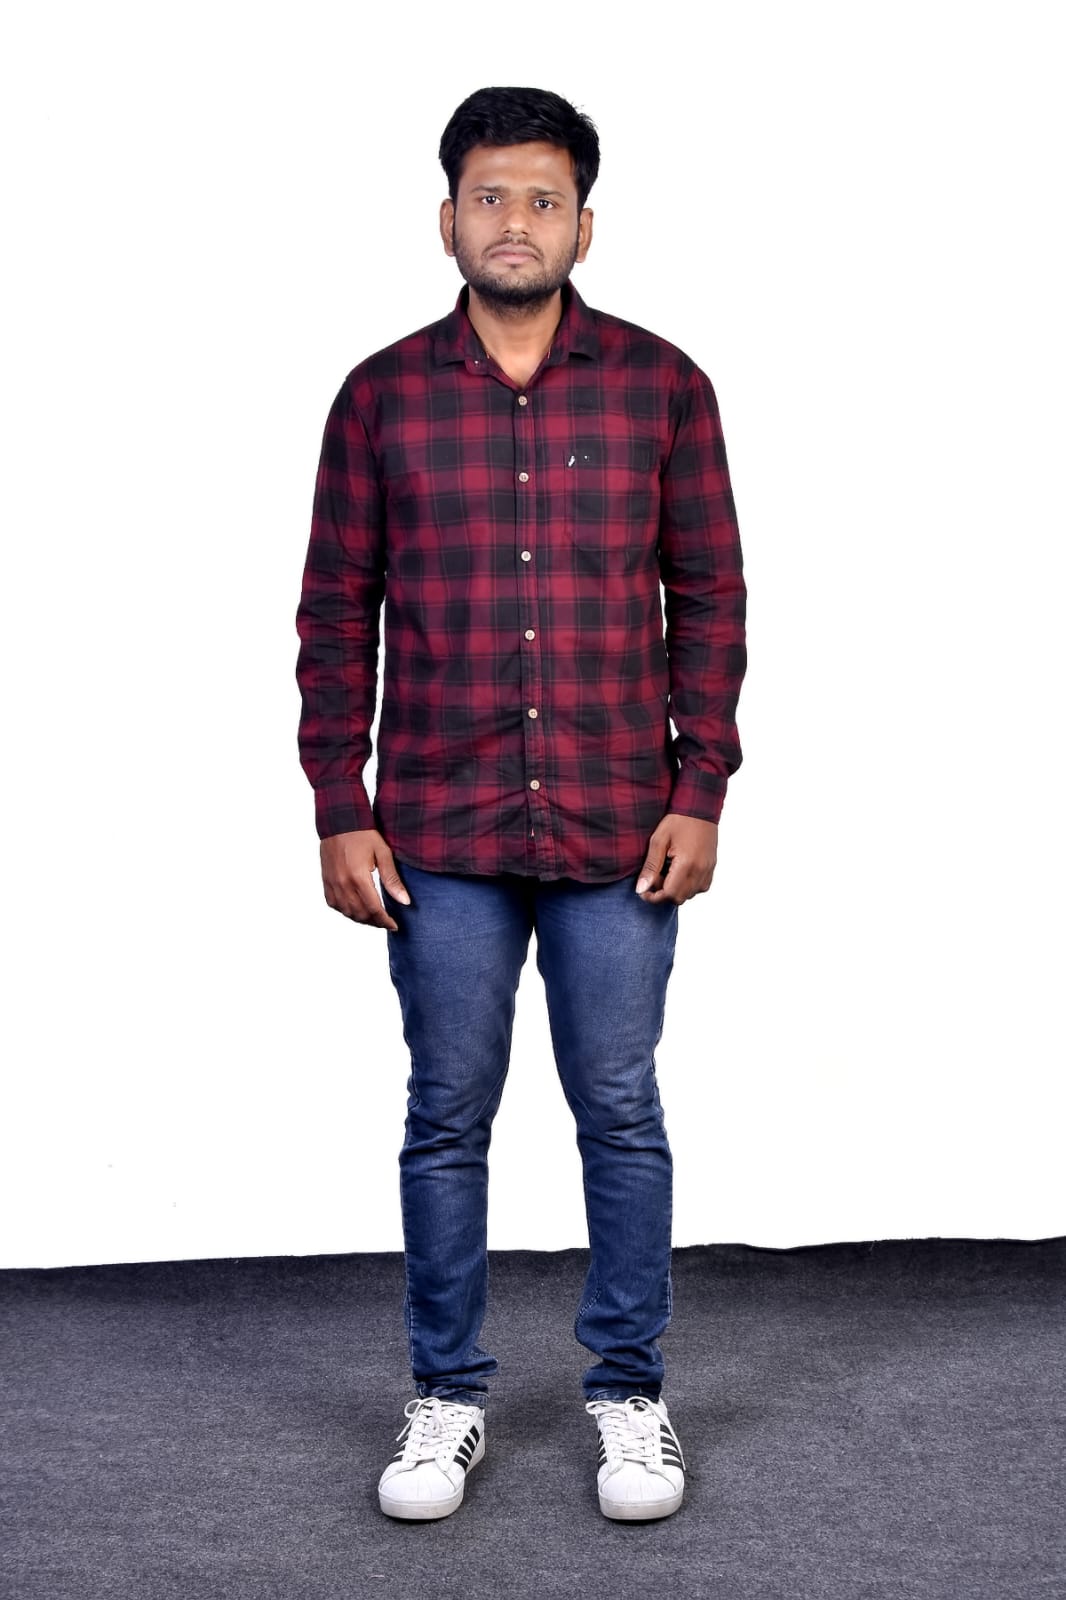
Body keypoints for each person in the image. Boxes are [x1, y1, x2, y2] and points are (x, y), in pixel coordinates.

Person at [294, 86, 746, 1523]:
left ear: (582, 225)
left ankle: (628, 1395)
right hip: (439, 827)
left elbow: (710, 598)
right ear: (447, 219)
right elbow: (334, 610)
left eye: (543, 199)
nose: (515, 222)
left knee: (619, 1108)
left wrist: (701, 784)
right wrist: (338, 800)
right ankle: (446, 1398)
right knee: (445, 1113)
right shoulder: (380, 397)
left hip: (620, 822)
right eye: (489, 196)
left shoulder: (663, 387)